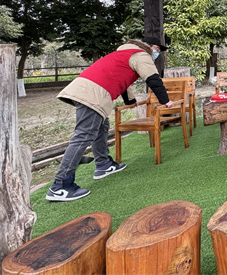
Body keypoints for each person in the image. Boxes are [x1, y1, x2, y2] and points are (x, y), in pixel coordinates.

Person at [46, 37, 174, 202]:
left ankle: (103, 164)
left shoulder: (122, 54)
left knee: (102, 126)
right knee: (84, 135)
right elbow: (153, 79)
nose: (157, 53)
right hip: (92, 94)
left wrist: (130, 101)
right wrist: (165, 101)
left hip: (84, 88)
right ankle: (60, 186)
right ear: (149, 47)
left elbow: (123, 81)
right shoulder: (141, 54)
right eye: (157, 49)